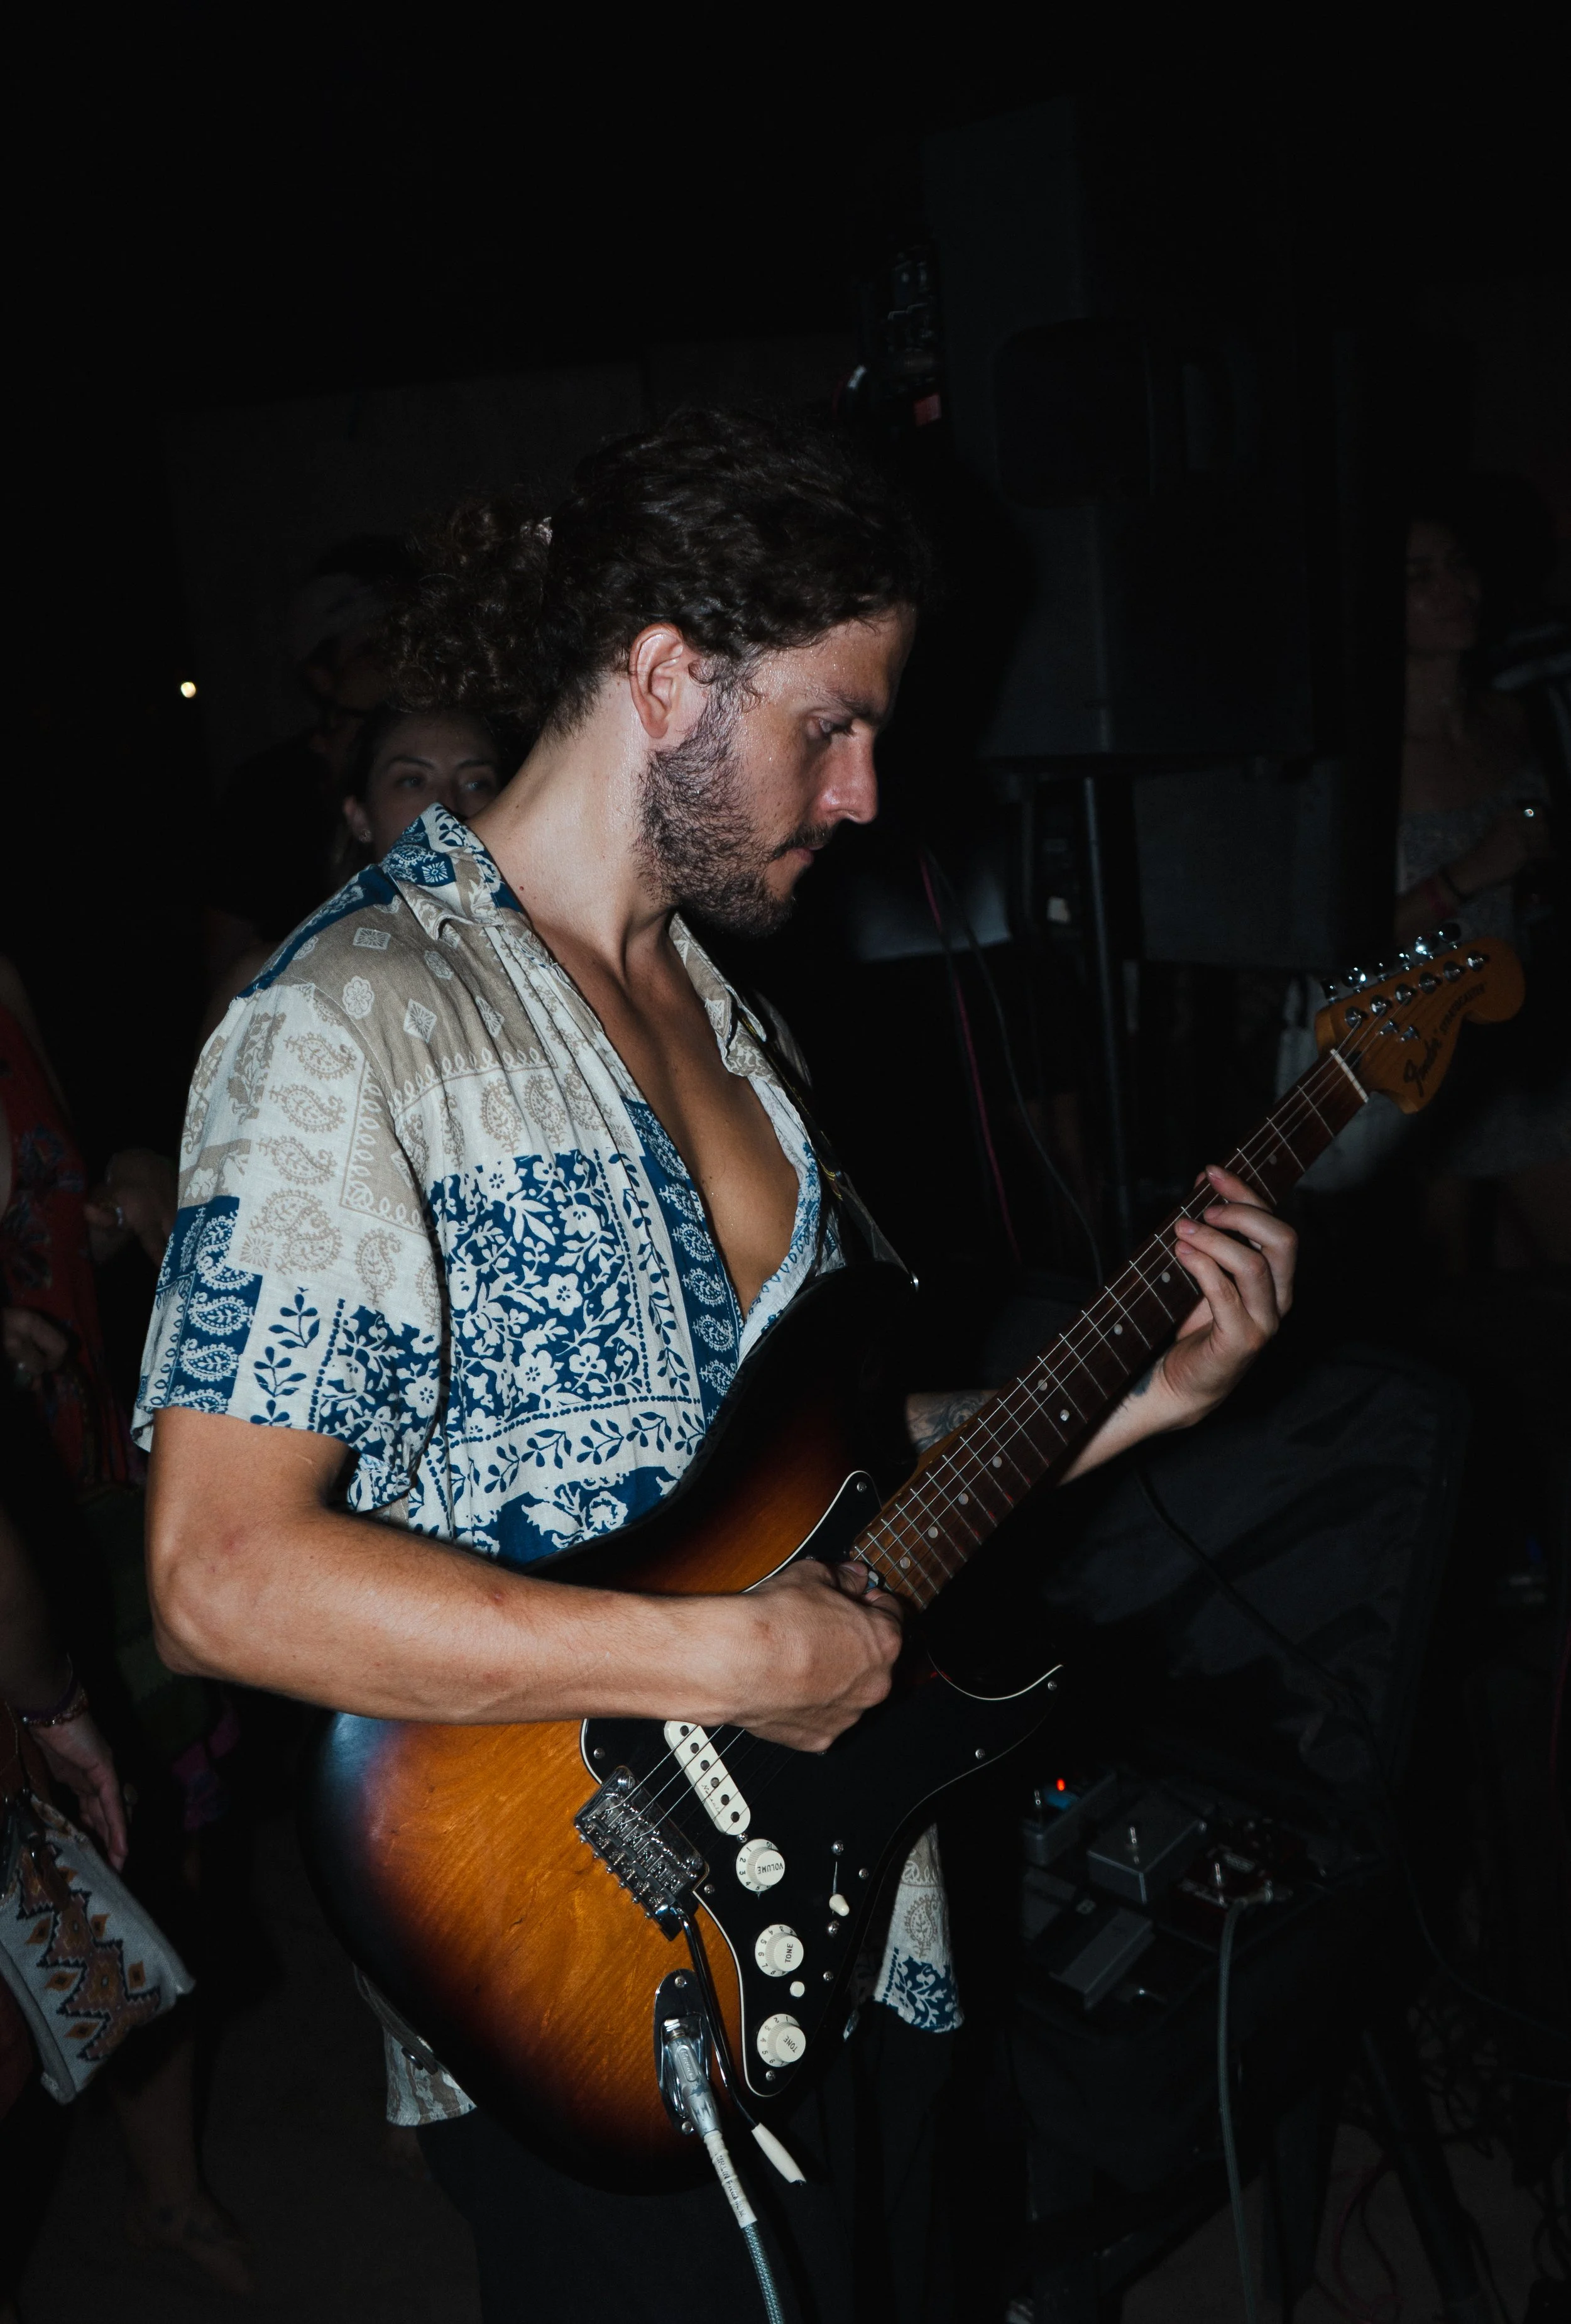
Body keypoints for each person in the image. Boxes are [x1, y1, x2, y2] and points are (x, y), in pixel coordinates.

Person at [138, 408, 1296, 2324]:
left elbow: (795, 1490)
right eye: (826, 721)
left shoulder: (742, 1029)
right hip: (574, 1957)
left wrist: (1128, 1407)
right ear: (666, 674)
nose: (859, 792)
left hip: (863, 1906)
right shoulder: (352, 1019)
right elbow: (218, 1575)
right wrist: (725, 1656)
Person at [0, 958, 255, 2294]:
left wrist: (130, 1184)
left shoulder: (11, 985)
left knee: (154, 1838)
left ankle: (166, 2186)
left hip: (85, 1473)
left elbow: (68, 1178)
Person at [1393, 513, 1569, 1263]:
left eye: (1458, 564)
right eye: (1419, 576)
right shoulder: (1370, 759)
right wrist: (1472, 872)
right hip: (1423, 1050)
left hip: (1529, 1029)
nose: (1453, 589)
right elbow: (1341, 941)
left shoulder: (1508, 715)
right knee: (1445, 1296)